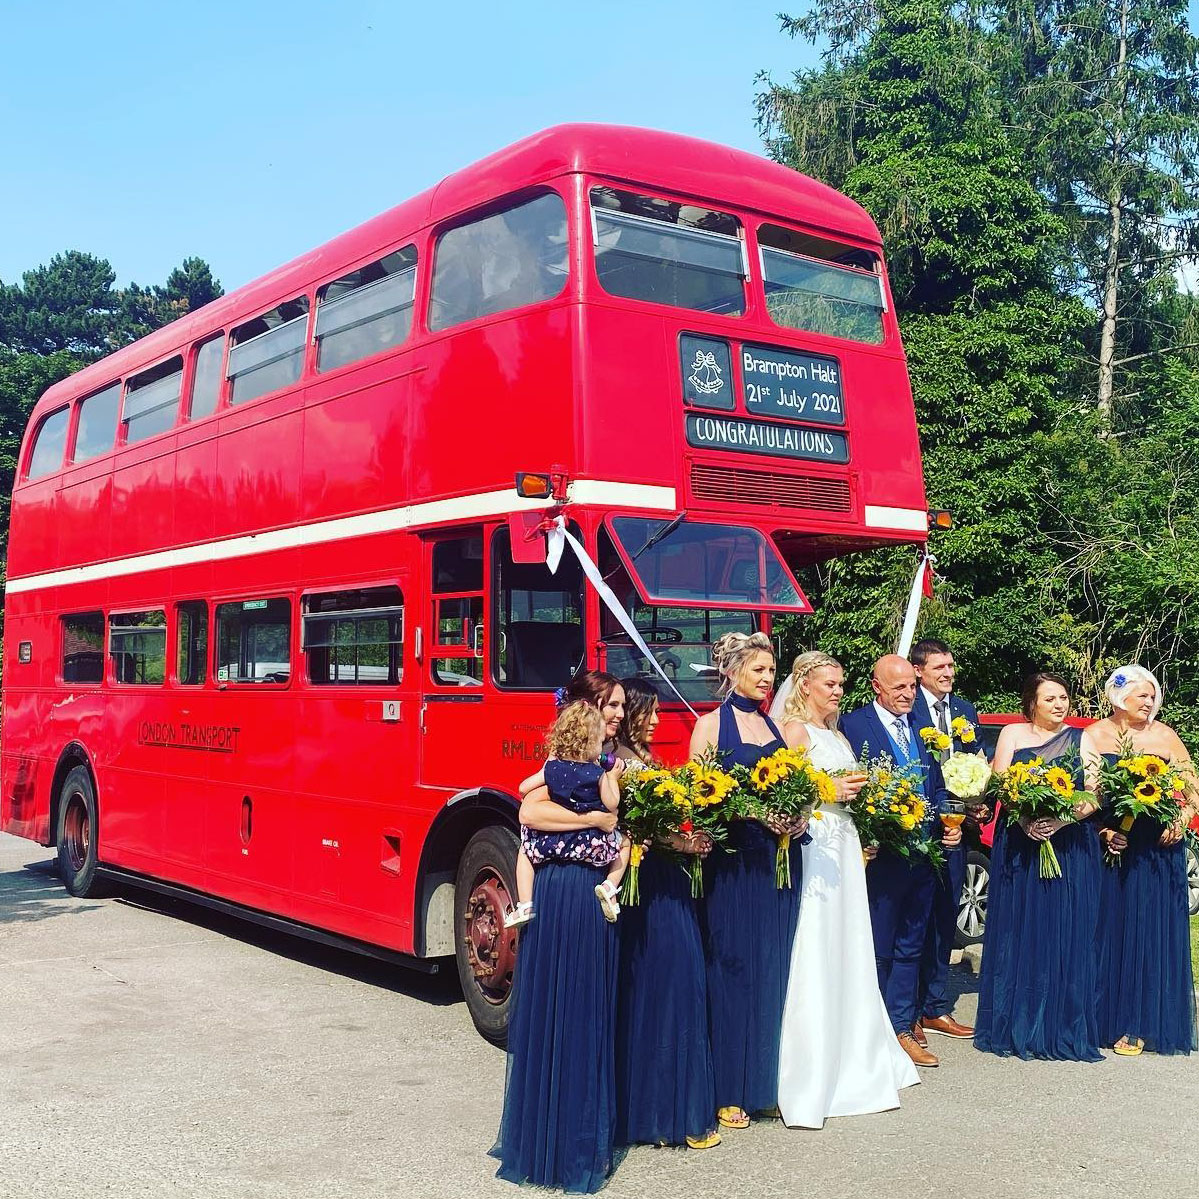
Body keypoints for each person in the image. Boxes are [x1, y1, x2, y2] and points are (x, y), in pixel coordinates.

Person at [776, 651, 919, 1127]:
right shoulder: (796, 732)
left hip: (846, 841)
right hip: (815, 843)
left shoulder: (838, 735)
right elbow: (782, 790)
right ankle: (812, 1062)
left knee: (850, 938)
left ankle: (857, 1048)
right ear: (805, 686)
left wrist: (867, 824)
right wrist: (827, 793)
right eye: (829, 684)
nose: (837, 691)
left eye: (840, 684)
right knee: (818, 939)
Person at [491, 730, 625, 1191]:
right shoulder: (595, 770)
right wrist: (595, 816)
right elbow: (530, 810)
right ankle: (574, 1146)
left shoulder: (560, 769)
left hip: (555, 892)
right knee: (577, 1010)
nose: (616, 721)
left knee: (558, 1010)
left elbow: (529, 802)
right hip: (579, 893)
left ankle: (550, 1142)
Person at [690, 631, 803, 1130]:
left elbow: (801, 786)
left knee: (772, 970)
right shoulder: (709, 727)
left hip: (778, 867)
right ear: (733, 672)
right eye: (759, 670)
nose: (767, 678)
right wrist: (756, 813)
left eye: (771, 671)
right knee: (731, 969)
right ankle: (727, 1088)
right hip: (733, 868)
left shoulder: (776, 727)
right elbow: (697, 798)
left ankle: (762, 1084)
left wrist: (798, 816)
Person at [613, 678, 720, 1151]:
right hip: (650, 890)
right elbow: (635, 827)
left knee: (675, 984)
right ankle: (660, 1113)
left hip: (667, 881)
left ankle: (660, 1108)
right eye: (649, 712)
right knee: (668, 984)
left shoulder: (645, 760)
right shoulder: (622, 763)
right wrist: (683, 842)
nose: (657, 720)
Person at [974, 673, 1103, 1061]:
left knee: (1065, 929)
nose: (1059, 705)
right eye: (1050, 699)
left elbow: (1095, 794)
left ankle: (1061, 1024)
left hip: (1068, 847)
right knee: (1020, 928)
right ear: (1032, 703)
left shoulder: (1085, 738)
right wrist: (1026, 819)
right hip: (1021, 844)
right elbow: (1001, 786)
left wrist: (1062, 821)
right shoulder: (1013, 734)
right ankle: (1017, 1021)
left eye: (1063, 698)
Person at [840, 654, 956, 1069]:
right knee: (878, 946)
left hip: (924, 855)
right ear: (876, 687)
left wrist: (950, 820)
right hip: (880, 857)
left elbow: (937, 785)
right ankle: (872, 1027)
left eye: (911, 686)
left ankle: (902, 1026)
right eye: (899, 688)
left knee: (911, 945)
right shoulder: (852, 727)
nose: (909, 695)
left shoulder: (922, 729)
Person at [1084, 665, 1197, 1056]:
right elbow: (1089, 797)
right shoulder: (1095, 735)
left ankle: (1139, 1023)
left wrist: (1181, 820)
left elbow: (1192, 788)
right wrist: (1101, 832)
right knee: (1109, 931)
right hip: (1113, 846)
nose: (1149, 702)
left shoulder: (1166, 736)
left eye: (1152, 696)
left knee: (1149, 933)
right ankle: (1101, 1020)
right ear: (1118, 698)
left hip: (1157, 849)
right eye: (1141, 696)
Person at [506, 672, 628, 928]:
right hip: (577, 879)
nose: (621, 714)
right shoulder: (572, 760)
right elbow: (529, 813)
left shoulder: (610, 752)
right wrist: (594, 818)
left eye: (623, 706)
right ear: (590, 707)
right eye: (613, 705)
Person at [910, 638, 982, 1042]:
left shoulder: (964, 711)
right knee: (913, 920)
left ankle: (937, 1006)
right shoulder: (909, 707)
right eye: (940, 667)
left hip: (958, 826)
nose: (948, 673)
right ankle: (910, 1010)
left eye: (951, 666)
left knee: (944, 918)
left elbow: (974, 762)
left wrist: (977, 801)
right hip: (920, 824)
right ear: (919, 670)